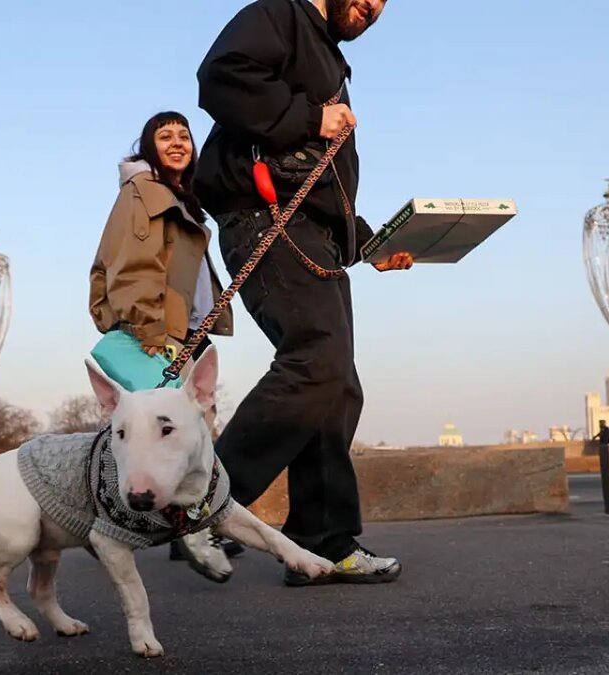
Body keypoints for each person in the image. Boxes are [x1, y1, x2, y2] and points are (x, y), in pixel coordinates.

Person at [191, 0, 412, 587]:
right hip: (266, 218)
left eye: (385, 4)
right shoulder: (280, 14)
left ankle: (324, 541)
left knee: (336, 384)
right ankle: (200, 506)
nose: (373, 7)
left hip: (310, 233)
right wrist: (311, 117)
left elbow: (320, 183)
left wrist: (370, 244)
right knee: (317, 357)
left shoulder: (329, 57)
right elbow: (221, 76)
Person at [88, 111, 241, 578]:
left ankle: (181, 530)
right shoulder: (146, 192)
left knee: (177, 433)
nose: (177, 142)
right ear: (149, 146)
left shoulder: (178, 196)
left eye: (184, 135)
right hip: (159, 333)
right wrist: (150, 328)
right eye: (164, 135)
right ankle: (196, 533)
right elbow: (134, 263)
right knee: (177, 435)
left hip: (182, 331)